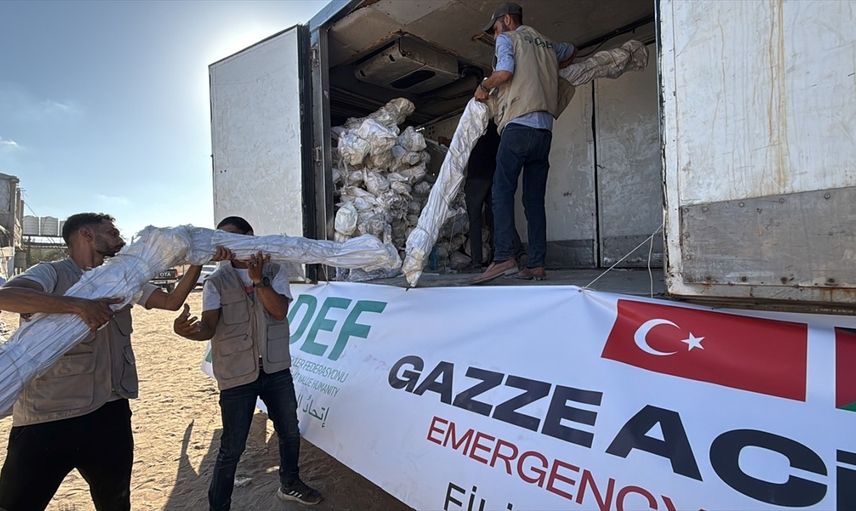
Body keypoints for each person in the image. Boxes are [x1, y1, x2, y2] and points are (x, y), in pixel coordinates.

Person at [0, 212, 218, 511]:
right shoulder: (51, 273)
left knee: (115, 503)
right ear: (87, 235)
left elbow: (171, 302)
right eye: (112, 233)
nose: (120, 239)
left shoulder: (123, 276)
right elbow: (6, 297)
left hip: (110, 412)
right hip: (49, 417)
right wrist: (78, 306)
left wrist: (197, 261)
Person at [172, 216, 322, 510]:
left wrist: (258, 280)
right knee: (232, 447)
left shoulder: (274, 271)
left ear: (250, 237)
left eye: (231, 236)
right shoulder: (216, 282)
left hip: (276, 370)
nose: (225, 244)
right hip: (236, 375)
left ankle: (289, 484)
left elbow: (278, 311)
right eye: (220, 238)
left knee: (289, 431)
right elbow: (208, 328)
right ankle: (219, 506)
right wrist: (188, 331)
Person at [472, 2, 576, 284]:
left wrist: (484, 87)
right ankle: (537, 264)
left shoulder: (508, 39)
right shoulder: (546, 44)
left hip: (518, 126)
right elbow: (571, 50)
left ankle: (504, 256)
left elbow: (505, 72)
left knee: (501, 190)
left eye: (495, 29)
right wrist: (548, 67)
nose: (495, 36)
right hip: (544, 131)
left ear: (507, 20)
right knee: (534, 200)